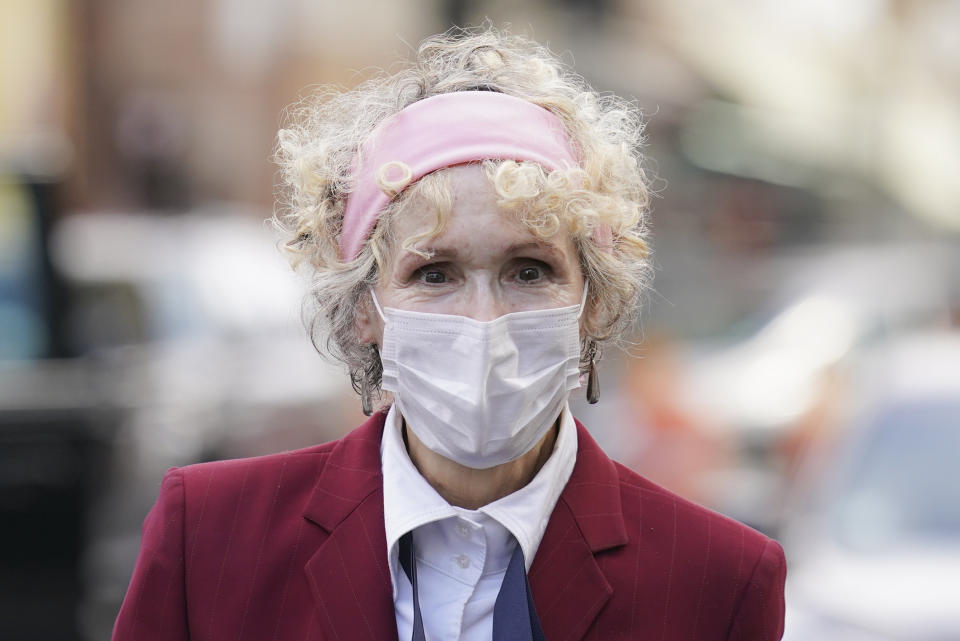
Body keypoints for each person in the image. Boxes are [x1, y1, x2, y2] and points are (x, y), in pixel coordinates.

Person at [112, 27, 786, 641]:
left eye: (530, 269)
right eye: (434, 273)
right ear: (365, 308)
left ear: (592, 300)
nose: (484, 322)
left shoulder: (718, 580)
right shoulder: (210, 535)